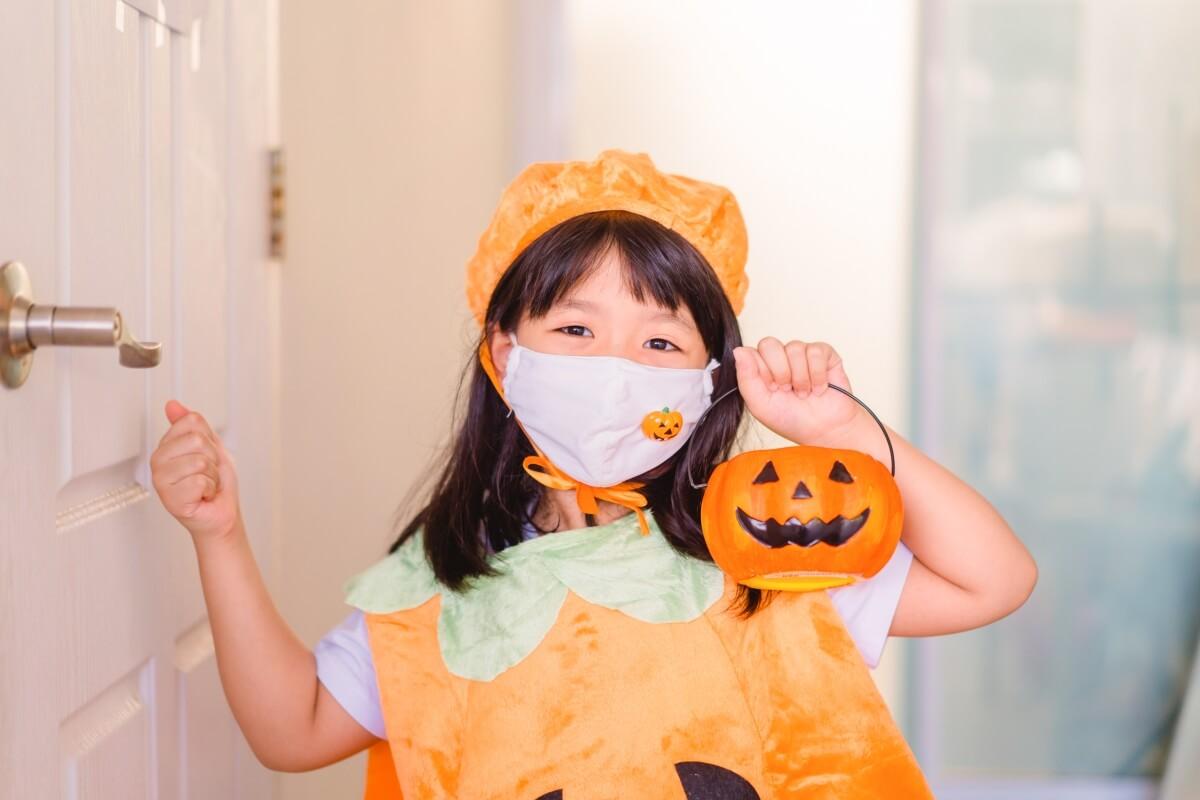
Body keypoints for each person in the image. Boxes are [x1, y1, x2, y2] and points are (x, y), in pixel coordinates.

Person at [150, 149, 1037, 798]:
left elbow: (992, 580)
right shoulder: (445, 582)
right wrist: (220, 537)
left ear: (707, 379)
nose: (616, 365)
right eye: (576, 331)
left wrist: (849, 429)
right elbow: (292, 730)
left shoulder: (765, 546)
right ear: (505, 353)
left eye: (659, 341)